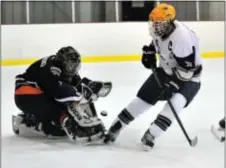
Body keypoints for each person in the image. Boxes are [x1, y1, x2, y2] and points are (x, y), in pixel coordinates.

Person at [104, 3, 202, 150]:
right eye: (154, 23)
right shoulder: (162, 30)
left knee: (174, 104)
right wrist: (150, 52)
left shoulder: (182, 39)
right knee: (144, 98)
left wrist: (173, 86)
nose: (156, 27)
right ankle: (116, 126)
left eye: (159, 24)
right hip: (166, 70)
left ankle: (152, 134)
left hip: (190, 78)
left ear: (169, 23)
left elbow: (187, 70)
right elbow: (158, 43)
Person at [12, 46, 112, 143]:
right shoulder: (51, 70)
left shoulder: (62, 65)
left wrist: (89, 87)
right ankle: (36, 123)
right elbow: (59, 93)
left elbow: (76, 85)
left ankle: (37, 120)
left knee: (67, 101)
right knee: (55, 114)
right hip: (24, 94)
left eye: (76, 66)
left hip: (38, 90)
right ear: (63, 62)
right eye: (71, 66)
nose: (73, 69)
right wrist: (81, 95)